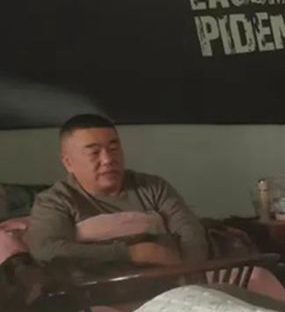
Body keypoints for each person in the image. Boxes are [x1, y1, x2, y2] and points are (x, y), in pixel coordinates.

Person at [25, 113, 208, 266]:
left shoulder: (153, 187)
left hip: (171, 285)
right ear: (68, 163)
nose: (108, 159)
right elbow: (46, 250)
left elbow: (191, 233)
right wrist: (132, 254)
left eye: (113, 148)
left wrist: (189, 273)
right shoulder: (55, 201)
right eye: (94, 152)